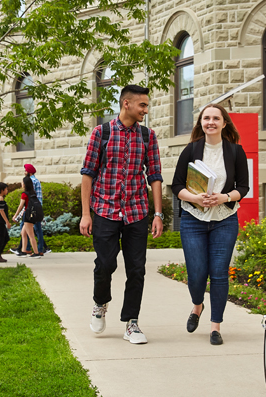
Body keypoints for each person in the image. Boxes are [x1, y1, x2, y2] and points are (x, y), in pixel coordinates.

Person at [79, 84, 164, 345]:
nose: (145, 110)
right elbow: (87, 174)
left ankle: (132, 322)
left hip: (136, 212)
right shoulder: (101, 133)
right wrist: (86, 214)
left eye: (147, 106)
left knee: (136, 269)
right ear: (126, 104)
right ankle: (99, 303)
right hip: (105, 210)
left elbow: (155, 176)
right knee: (105, 265)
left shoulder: (148, 137)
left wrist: (158, 213)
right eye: (142, 105)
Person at [170, 104, 248, 346]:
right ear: (201, 123)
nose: (211, 122)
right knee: (196, 274)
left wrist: (224, 197)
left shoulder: (235, 151)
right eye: (206, 118)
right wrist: (195, 198)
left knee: (219, 274)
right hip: (194, 219)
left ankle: (215, 326)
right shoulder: (191, 150)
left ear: (224, 123)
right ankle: (197, 305)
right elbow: (177, 185)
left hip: (224, 219)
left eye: (216, 118)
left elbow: (243, 187)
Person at [11, 164, 50, 255]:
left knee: (34, 231)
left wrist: (17, 215)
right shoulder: (35, 182)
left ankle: (37, 251)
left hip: (31, 211)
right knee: (27, 230)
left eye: (25, 171)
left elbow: (25, 204)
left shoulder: (31, 182)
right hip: (33, 210)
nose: (24, 172)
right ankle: (26, 249)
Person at [12, 176, 43, 259]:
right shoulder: (33, 193)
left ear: (25, 184)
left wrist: (15, 215)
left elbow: (21, 206)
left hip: (27, 215)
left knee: (31, 235)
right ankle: (23, 251)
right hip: (32, 215)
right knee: (23, 233)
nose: (21, 184)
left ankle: (36, 253)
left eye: (22, 182)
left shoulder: (24, 194)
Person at [0, 182, 12, 263]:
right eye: (6, 189)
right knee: (1, 238)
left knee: (6, 238)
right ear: (2, 190)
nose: (7, 190)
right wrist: (7, 222)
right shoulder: (0, 198)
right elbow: (1, 211)